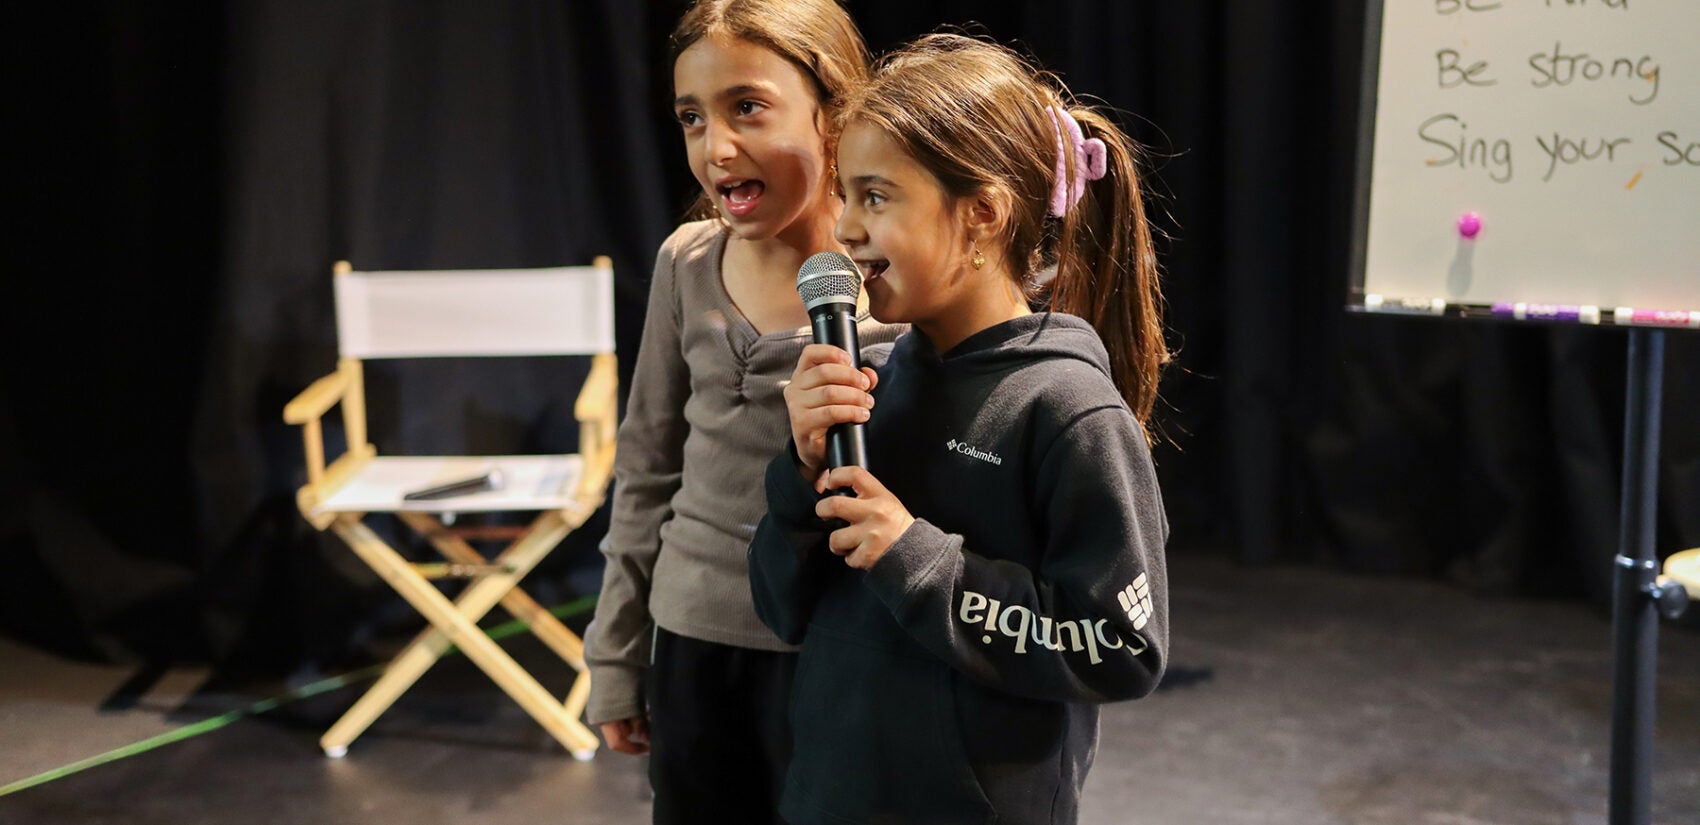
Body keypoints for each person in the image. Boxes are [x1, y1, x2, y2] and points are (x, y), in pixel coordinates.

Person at [749, 33, 1171, 825]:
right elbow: (780, 607)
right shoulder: (874, 377)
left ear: (982, 214)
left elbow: (1122, 645)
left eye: (875, 196)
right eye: (843, 195)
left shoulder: (1068, 409)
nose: (843, 228)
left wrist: (915, 556)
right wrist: (799, 474)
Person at [581, 1, 902, 823]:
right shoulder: (686, 262)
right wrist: (615, 653)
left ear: (834, 112)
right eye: (692, 118)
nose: (715, 147)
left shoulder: (898, 281)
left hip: (836, 648)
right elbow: (646, 466)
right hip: (692, 640)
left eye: (747, 107)